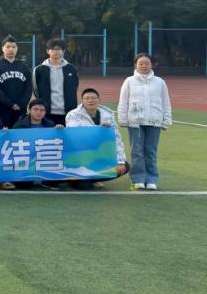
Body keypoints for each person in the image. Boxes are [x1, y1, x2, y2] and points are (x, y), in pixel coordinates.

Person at [117, 53, 172, 191]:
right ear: (136, 65)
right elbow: (123, 101)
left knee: (151, 151)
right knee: (137, 151)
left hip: (154, 121)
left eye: (146, 63)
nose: (144, 66)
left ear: (152, 64)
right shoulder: (129, 81)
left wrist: (167, 119)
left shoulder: (160, 82)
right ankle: (138, 179)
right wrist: (122, 119)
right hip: (135, 122)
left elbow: (166, 102)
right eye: (140, 63)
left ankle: (152, 179)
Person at [67, 87, 130, 185]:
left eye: (93, 98)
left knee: (125, 166)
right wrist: (99, 129)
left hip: (100, 155)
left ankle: (94, 178)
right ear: (82, 101)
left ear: (99, 100)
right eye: (87, 98)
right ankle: (82, 179)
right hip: (81, 158)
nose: (90, 100)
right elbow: (75, 136)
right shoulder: (73, 115)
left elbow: (117, 139)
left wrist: (120, 161)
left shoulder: (108, 115)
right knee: (83, 186)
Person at [33, 38, 80, 126]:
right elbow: (36, 90)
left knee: (67, 134)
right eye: (53, 49)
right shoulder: (39, 69)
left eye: (59, 49)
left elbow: (75, 87)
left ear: (63, 51)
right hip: (47, 111)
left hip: (68, 112)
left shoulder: (71, 69)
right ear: (48, 51)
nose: (56, 51)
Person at [0, 35, 32, 129]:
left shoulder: (24, 67)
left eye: (14, 47)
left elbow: (28, 87)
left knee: (19, 135)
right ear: (2, 48)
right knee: (3, 135)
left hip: (20, 110)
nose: (11, 49)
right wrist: (11, 104)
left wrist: (21, 104)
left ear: (17, 48)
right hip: (1, 110)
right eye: (8, 47)